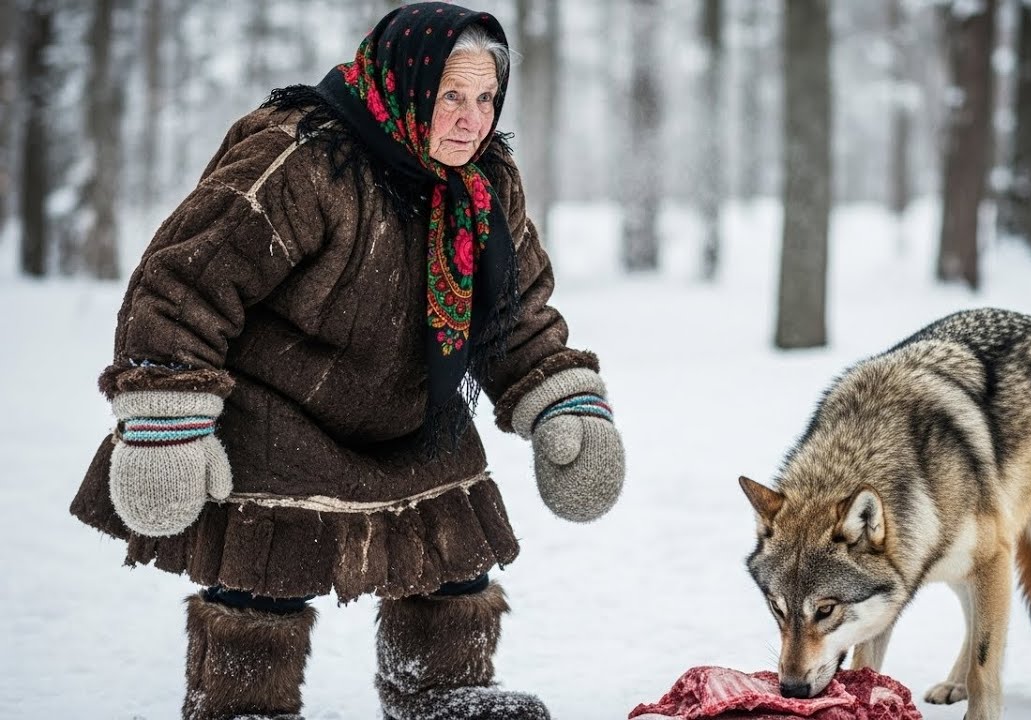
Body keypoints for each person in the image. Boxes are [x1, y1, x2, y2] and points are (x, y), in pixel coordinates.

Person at [69, 4, 624, 719]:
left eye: (486, 98)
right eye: (451, 95)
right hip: (277, 408)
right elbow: (185, 280)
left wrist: (560, 400)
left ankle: (441, 692)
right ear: (407, 84)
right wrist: (165, 416)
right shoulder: (302, 157)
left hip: (410, 410)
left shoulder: (486, 185)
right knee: (263, 570)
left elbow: (513, 313)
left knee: (453, 556)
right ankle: (243, 704)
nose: (472, 119)